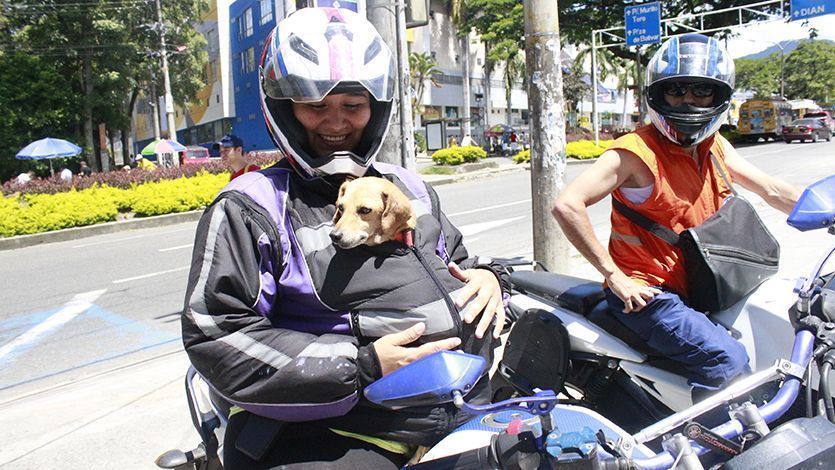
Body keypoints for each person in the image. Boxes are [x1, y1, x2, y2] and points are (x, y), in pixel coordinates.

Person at [181, 8, 509, 469]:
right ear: (284, 109)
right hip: (340, 427)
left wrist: (489, 277)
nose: (336, 122)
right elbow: (217, 335)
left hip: (461, 406)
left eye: (352, 106)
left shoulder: (409, 189)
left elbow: (456, 261)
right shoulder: (251, 207)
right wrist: (362, 365)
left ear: (376, 108)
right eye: (316, 106)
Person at [551, 34, 801, 393]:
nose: (688, 101)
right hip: (650, 295)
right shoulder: (634, 153)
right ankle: (715, 445)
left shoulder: (714, 146)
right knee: (729, 361)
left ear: (719, 96)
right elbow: (567, 204)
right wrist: (615, 277)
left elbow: (772, 189)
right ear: (658, 94)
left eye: (701, 91)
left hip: (703, 284)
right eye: (677, 90)